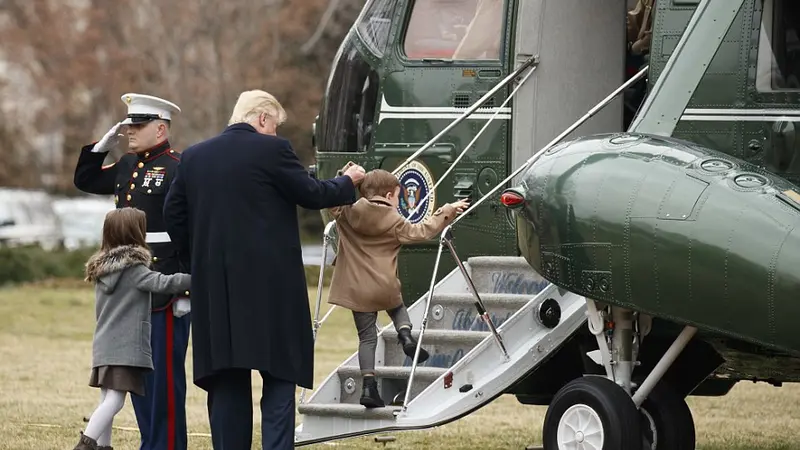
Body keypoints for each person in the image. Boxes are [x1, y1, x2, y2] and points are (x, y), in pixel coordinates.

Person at [162, 89, 366, 449]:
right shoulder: (272, 150)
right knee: (280, 379)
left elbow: (173, 215)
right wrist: (348, 182)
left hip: (218, 291)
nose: (275, 132)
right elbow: (311, 193)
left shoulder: (193, 157)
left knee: (227, 383)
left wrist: (199, 259)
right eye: (274, 124)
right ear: (261, 118)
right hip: (272, 291)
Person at [73, 93, 192, 450]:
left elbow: (189, 230)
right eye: (127, 126)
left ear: (160, 127)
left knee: (164, 383)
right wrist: (99, 148)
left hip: (164, 286)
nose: (129, 132)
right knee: (138, 377)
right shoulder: (127, 165)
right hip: (131, 289)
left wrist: (184, 292)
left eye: (137, 126)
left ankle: (165, 446)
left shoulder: (178, 167)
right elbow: (86, 180)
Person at [326, 169, 469, 408]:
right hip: (385, 287)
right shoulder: (395, 221)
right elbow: (424, 230)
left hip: (357, 290)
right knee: (396, 307)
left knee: (367, 338)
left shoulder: (347, 212)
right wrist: (447, 210)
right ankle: (405, 335)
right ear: (390, 195)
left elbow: (332, 196)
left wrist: (347, 175)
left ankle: (369, 388)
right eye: (398, 197)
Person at [73, 208, 191, 450]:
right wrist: (197, 277)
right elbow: (164, 283)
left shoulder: (102, 269)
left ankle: (103, 446)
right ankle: (86, 444)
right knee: (115, 401)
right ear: (136, 233)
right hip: (125, 347)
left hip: (104, 345)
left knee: (107, 398)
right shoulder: (134, 269)